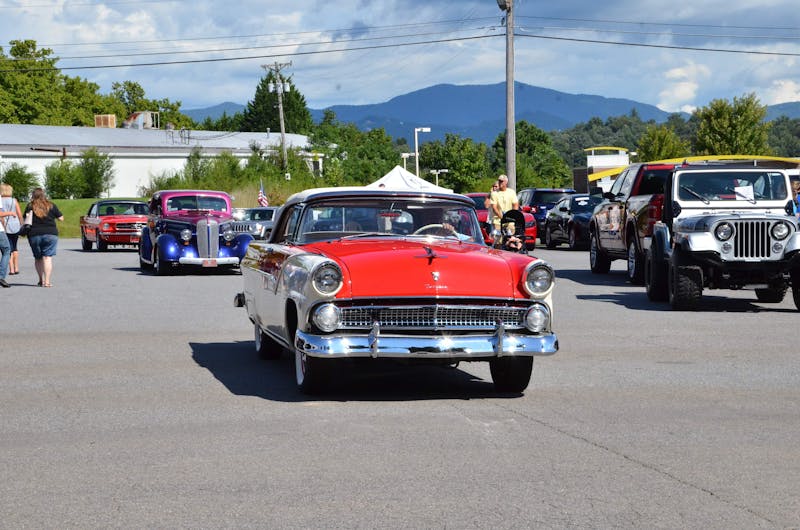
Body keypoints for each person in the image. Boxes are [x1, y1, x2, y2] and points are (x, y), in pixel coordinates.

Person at [24, 188, 63, 288]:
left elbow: (26, 219)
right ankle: (47, 281)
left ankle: (41, 280)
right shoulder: (51, 205)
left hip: (34, 234)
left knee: (38, 258)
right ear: (43, 195)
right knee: (47, 257)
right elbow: (61, 218)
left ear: (33, 195)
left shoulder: (30, 206)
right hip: (50, 234)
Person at [0, 183, 22, 279]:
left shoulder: (0, 200)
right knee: (14, 247)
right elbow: (19, 214)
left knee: (8, 248)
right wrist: (22, 224)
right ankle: (16, 268)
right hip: (15, 225)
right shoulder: (14, 200)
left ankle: (11, 269)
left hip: (5, 226)